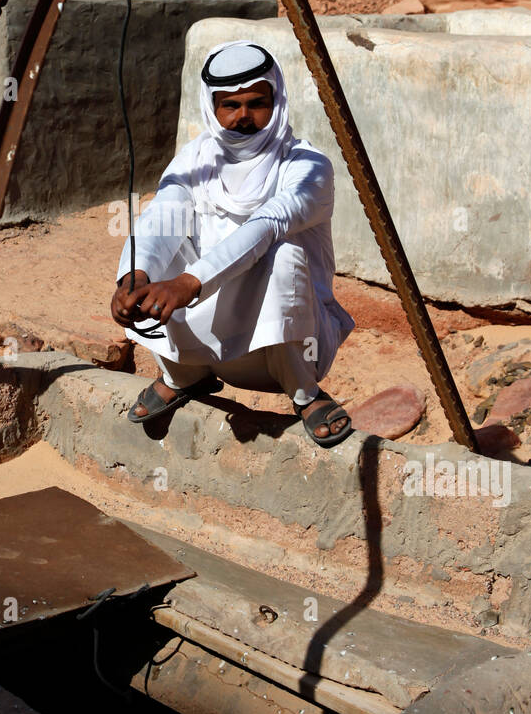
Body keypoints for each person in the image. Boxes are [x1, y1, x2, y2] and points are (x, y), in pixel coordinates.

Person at [110, 40, 356, 446]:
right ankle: (183, 375)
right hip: (206, 334)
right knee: (153, 260)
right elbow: (164, 215)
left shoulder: (308, 166)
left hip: (279, 349)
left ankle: (306, 394)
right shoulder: (196, 158)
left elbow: (266, 224)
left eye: (256, 103)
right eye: (230, 105)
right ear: (213, 107)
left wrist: (190, 283)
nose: (244, 117)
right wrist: (133, 276)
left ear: (276, 101)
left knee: (283, 253)